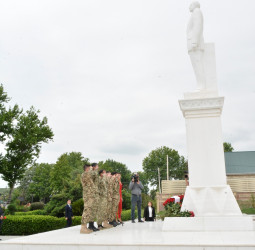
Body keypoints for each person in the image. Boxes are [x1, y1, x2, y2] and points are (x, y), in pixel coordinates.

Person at [80, 164, 96, 234]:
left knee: (89, 210)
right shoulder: (85, 174)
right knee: (87, 210)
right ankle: (83, 228)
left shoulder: (87, 174)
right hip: (87, 195)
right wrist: (93, 169)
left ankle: (85, 227)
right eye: (90, 168)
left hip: (90, 195)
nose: (91, 169)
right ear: (87, 169)